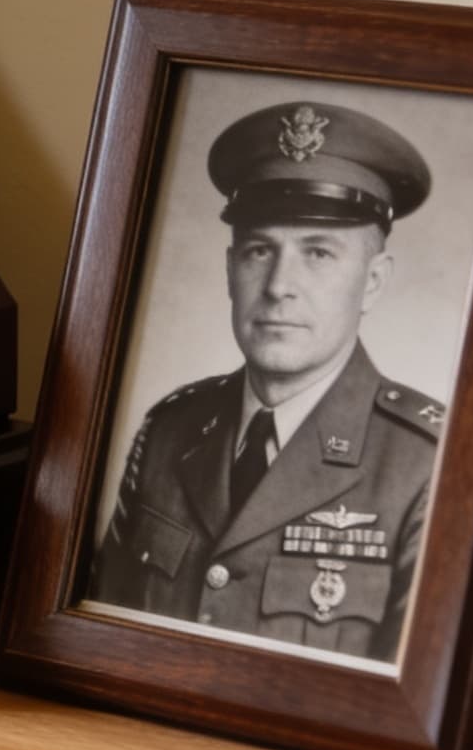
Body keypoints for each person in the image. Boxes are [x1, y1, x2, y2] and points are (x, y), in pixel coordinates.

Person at [87, 100, 445, 664]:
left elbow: (406, 710)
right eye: (259, 251)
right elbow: (97, 644)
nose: (280, 286)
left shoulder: (429, 467)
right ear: (231, 269)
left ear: (373, 282)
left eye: (319, 253)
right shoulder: (169, 429)